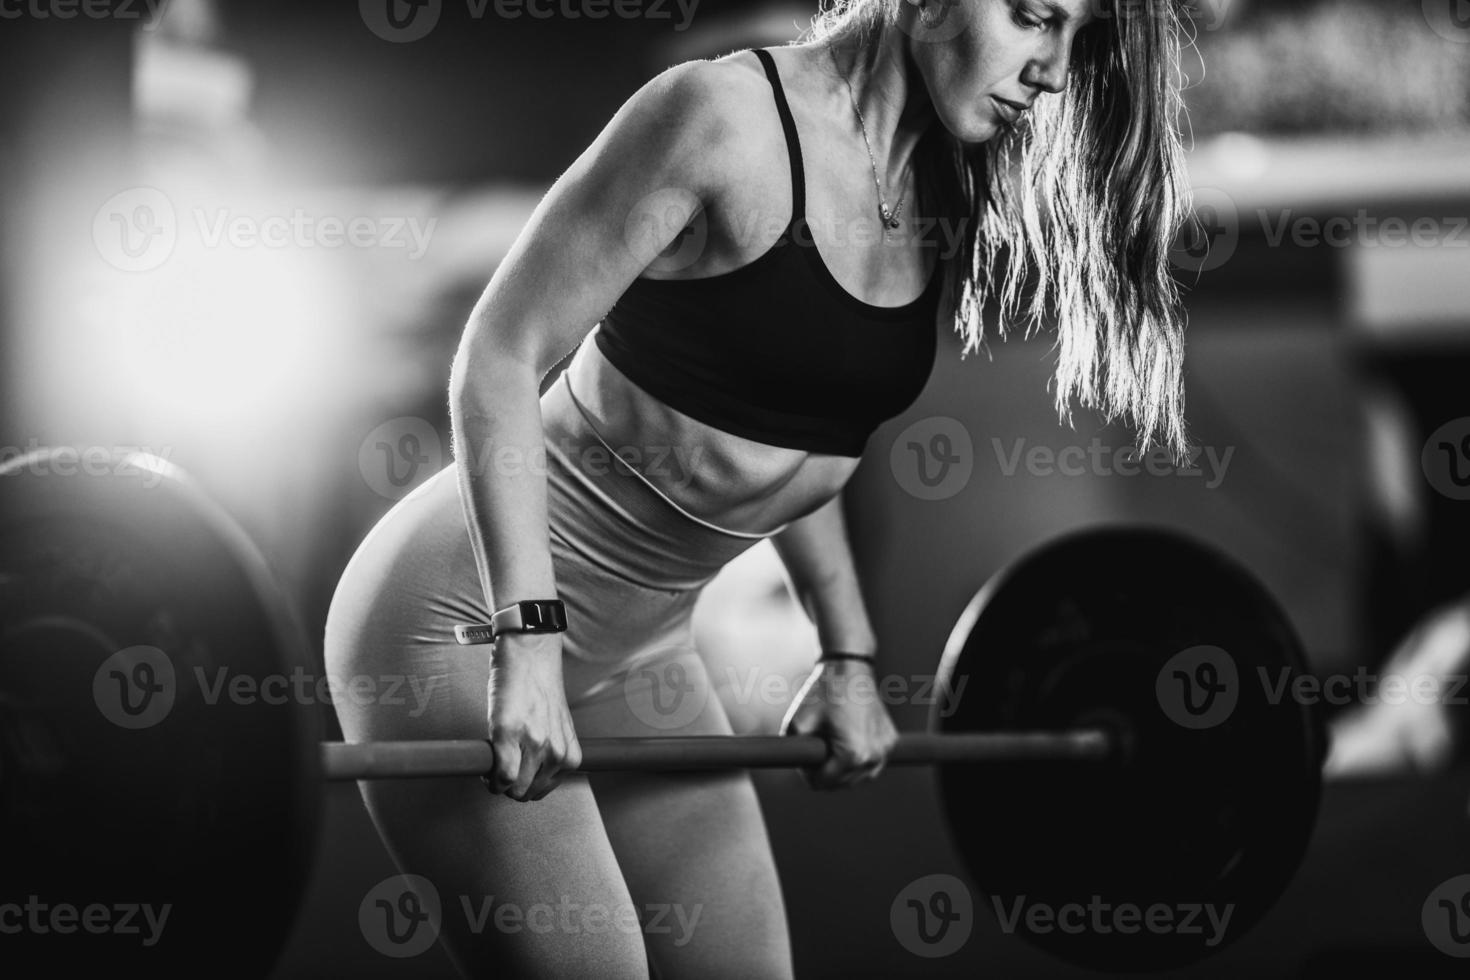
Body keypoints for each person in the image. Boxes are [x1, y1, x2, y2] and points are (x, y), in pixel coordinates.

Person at [324, 0, 1195, 975]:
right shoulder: (721, 119)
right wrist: (525, 647)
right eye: (1036, 18)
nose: (1055, 68)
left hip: (637, 650)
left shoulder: (935, 182)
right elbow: (499, 351)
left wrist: (849, 655)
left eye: (1076, 37)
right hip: (462, 620)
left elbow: (795, 432)